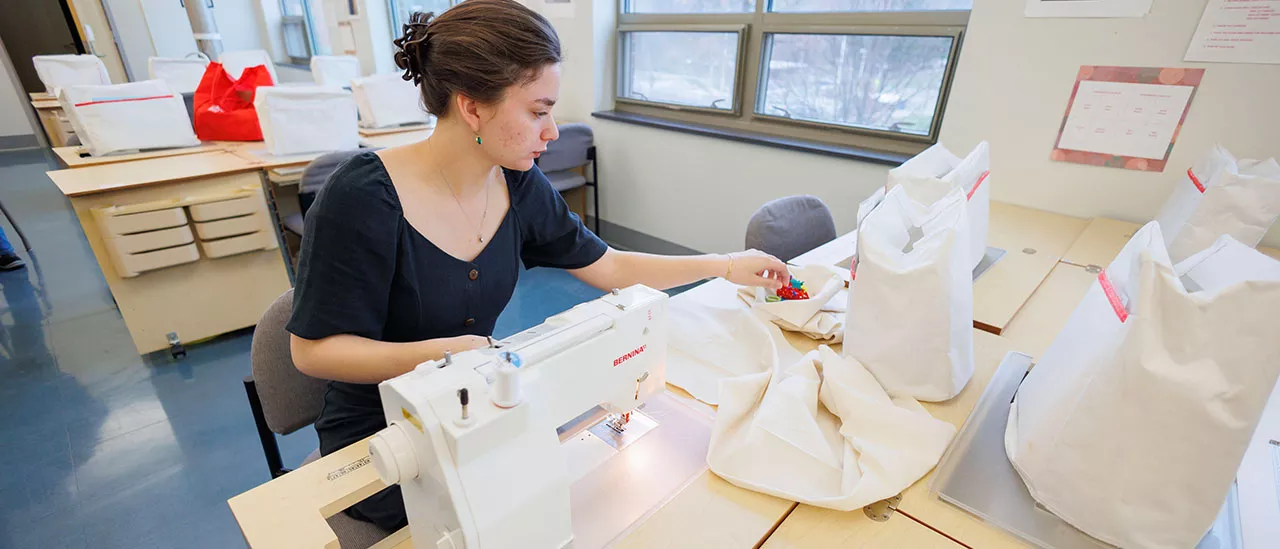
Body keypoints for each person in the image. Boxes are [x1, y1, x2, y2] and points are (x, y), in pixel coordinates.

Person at [286, 0, 788, 531]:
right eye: (538, 111)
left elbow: (610, 267)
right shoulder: (361, 198)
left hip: (472, 407)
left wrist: (725, 265)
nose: (552, 133)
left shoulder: (516, 182)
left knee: (599, 498)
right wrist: (446, 354)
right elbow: (313, 351)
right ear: (473, 108)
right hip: (383, 438)